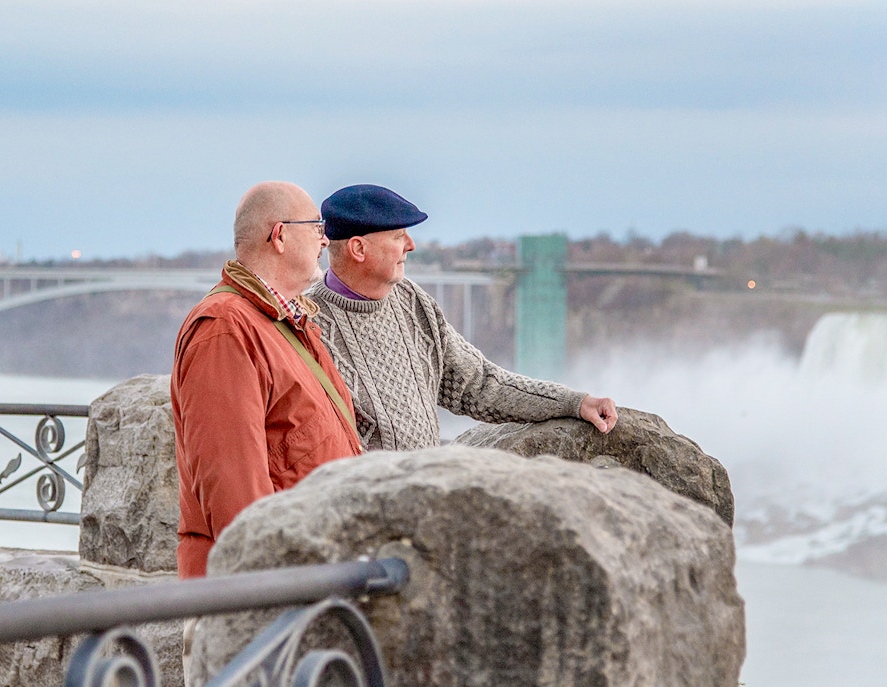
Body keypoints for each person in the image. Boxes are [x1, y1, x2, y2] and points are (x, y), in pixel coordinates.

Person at [306, 183, 618, 451]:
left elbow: (480, 384)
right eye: (399, 235)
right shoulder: (306, 324)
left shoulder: (412, 301)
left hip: (424, 503)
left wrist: (574, 403)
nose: (411, 246)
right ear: (359, 249)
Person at [170, 181, 362, 580]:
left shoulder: (282, 325)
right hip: (261, 599)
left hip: (306, 585)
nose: (325, 241)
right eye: (315, 227)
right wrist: (268, 596)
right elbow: (235, 495)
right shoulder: (225, 329)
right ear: (280, 235)